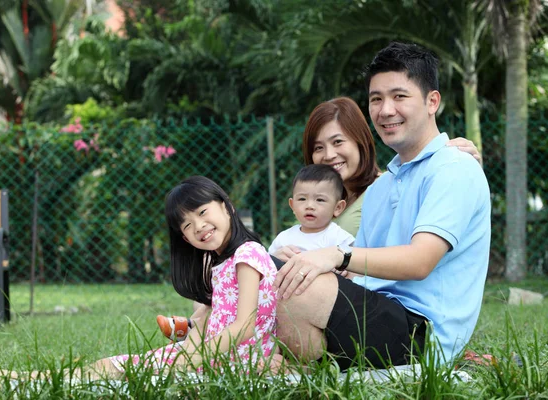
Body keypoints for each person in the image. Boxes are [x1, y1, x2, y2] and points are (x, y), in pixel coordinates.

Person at [157, 97, 481, 341]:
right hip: (318, 294)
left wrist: (447, 153)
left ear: (361, 141)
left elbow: (420, 191)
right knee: (244, 262)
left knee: (254, 266)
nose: (328, 155)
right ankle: (201, 326)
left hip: (356, 301)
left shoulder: (387, 188)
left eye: (338, 142)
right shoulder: (313, 201)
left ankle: (203, 334)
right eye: (318, 147)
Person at [273, 42, 491, 370]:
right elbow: (363, 276)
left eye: (399, 96)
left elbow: (420, 261)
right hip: (375, 313)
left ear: (432, 101)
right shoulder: (381, 188)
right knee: (259, 267)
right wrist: (315, 263)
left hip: (420, 334)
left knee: (275, 278)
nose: (386, 109)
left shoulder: (454, 167)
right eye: (376, 99)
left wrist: (336, 255)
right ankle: (290, 360)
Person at [0, 176, 278, 383]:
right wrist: (187, 347)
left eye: (203, 211)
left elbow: (244, 325)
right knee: (99, 368)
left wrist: (192, 358)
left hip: (228, 366)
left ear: (227, 206)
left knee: (102, 371)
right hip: (215, 358)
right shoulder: (222, 263)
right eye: (186, 225)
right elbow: (215, 324)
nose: (199, 225)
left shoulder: (248, 253)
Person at [267, 164, 354, 256]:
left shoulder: (340, 239)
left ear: (338, 208)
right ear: (292, 205)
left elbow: (354, 265)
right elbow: (266, 265)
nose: (309, 206)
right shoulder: (283, 239)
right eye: (302, 199)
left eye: (320, 200)